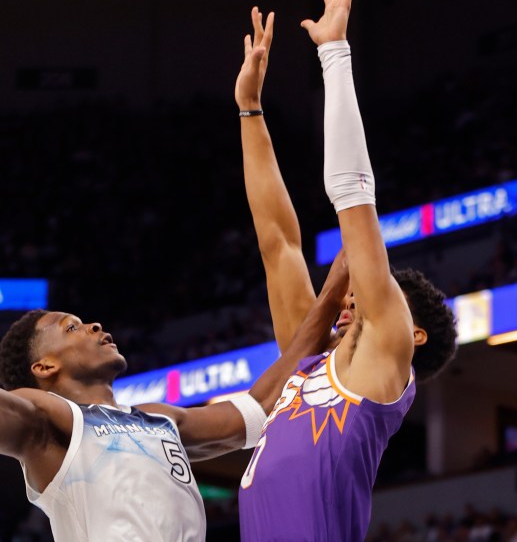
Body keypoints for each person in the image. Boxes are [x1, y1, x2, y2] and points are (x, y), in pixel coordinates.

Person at [234, 0, 458, 542]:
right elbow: (278, 243)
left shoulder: (385, 362)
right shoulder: (302, 362)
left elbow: (354, 198)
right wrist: (250, 111)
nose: (357, 289)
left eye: (379, 291)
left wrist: (335, 55)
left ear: (412, 333)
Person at [0, 225, 349, 540]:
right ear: (44, 367)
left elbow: (260, 406)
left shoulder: (158, 418)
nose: (93, 326)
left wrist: (332, 295)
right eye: (71, 327)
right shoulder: (46, 420)